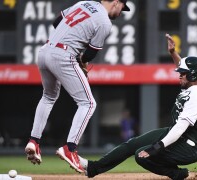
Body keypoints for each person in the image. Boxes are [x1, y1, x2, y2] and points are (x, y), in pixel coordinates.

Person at [65, 34, 197, 180]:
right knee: (132, 144)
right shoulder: (195, 83)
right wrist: (173, 53)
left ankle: (178, 175)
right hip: (180, 135)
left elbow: (181, 127)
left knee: (142, 155)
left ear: (193, 76)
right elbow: (185, 69)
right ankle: (92, 168)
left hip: (190, 146)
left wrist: (156, 147)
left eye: (183, 74)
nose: (179, 76)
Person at [24, 0, 130, 172]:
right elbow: (90, 53)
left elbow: (56, 22)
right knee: (88, 103)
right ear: (116, 2)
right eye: (122, 8)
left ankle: (34, 141)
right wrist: (82, 63)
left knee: (48, 96)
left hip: (45, 51)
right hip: (64, 54)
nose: (121, 12)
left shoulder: (84, 3)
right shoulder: (104, 21)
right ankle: (70, 148)